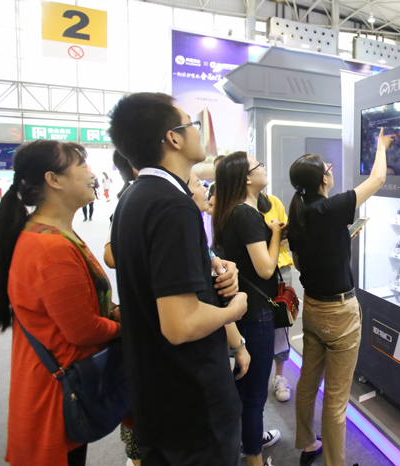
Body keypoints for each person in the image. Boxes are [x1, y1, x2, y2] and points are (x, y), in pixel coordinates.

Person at [108, 92, 247, 466]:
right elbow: (180, 324)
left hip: (157, 398)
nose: (199, 132)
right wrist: (234, 309)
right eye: (192, 124)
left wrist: (209, 265)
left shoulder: (134, 198)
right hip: (193, 405)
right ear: (173, 138)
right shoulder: (173, 205)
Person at [0, 140, 121, 466]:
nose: (91, 173)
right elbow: (84, 330)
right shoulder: (50, 248)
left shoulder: (51, 234)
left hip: (56, 381)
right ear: (53, 180)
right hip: (57, 392)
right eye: (81, 165)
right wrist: (131, 325)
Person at [288, 128, 392, 466]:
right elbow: (377, 179)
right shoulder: (331, 208)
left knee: (308, 381)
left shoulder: (299, 209)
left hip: (312, 308)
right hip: (339, 313)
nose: (330, 170)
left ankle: (307, 443)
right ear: (323, 179)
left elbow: (303, 260)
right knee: (335, 398)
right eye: (327, 168)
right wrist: (381, 146)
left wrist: (340, 239)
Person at [213, 152, 283, 466]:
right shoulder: (247, 214)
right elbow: (266, 269)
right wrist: (276, 234)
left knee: (244, 388)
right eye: (259, 166)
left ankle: (246, 443)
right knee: (254, 395)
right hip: (256, 312)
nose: (264, 168)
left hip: (242, 310)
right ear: (247, 178)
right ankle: (254, 457)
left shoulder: (232, 211)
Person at [258, 192, 294, 402]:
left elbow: (286, 238)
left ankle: (279, 376)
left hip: (280, 270)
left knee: (281, 324)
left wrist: (279, 233)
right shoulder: (237, 206)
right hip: (253, 272)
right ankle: (255, 376)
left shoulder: (273, 202)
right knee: (255, 325)